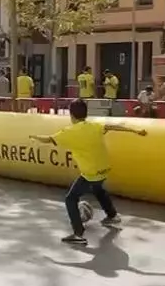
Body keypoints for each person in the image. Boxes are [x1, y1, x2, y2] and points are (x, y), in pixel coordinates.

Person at [29, 99, 146, 244]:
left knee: (71, 199)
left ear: (71, 115)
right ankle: (112, 215)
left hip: (90, 173)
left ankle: (78, 234)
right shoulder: (95, 126)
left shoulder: (70, 132)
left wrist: (34, 137)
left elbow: (48, 140)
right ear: (86, 113)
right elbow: (115, 126)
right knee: (98, 189)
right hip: (104, 169)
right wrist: (136, 131)